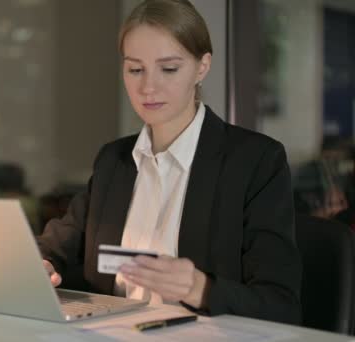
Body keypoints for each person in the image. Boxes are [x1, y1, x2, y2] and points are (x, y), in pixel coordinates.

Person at [36, 0, 301, 324]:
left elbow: (280, 304)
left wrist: (199, 288)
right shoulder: (114, 161)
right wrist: (42, 264)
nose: (148, 87)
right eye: (135, 69)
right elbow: (56, 246)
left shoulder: (255, 161)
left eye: (169, 68)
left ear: (202, 67)